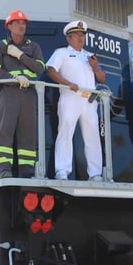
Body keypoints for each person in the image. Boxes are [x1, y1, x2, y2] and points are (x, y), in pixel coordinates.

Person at [0, 10, 46, 178]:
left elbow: (40, 68)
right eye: (18, 23)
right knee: (5, 132)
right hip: (9, 93)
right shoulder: (0, 46)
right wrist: (13, 78)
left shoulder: (33, 46)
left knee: (28, 134)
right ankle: (4, 170)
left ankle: (26, 172)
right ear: (9, 26)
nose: (22, 25)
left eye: (24, 23)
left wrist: (20, 55)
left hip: (29, 95)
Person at [46, 20, 106, 181]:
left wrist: (95, 67)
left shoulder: (89, 56)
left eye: (82, 35)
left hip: (89, 100)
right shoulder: (62, 53)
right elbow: (51, 70)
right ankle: (62, 171)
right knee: (65, 132)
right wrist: (67, 83)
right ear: (69, 38)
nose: (81, 38)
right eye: (77, 35)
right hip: (70, 96)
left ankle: (95, 173)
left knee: (92, 135)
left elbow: (102, 78)